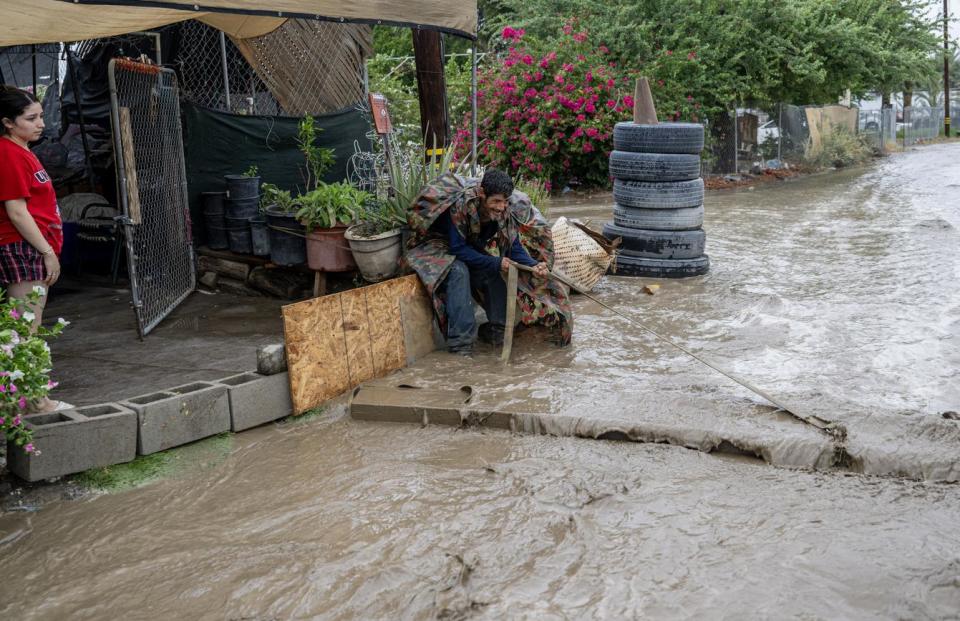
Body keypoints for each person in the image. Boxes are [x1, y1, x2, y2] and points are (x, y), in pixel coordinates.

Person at [404, 168, 572, 355]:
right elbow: (457, 249)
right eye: (496, 201)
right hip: (436, 246)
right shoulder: (461, 205)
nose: (501, 207)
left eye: (504, 202)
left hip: (466, 245)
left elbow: (513, 248)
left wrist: (534, 265)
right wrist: (496, 262)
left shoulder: (504, 211)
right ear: (482, 194)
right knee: (460, 272)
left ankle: (498, 332)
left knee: (492, 272)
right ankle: (462, 346)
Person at [0, 85, 69, 412]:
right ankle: (37, 404)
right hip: (22, 248)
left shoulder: (23, 150)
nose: (40, 123)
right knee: (25, 329)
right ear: (8, 123)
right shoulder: (8, 153)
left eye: (41, 116)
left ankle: (23, 401)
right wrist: (46, 251)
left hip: (30, 246)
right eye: (31, 118)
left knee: (25, 326)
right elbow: (16, 210)